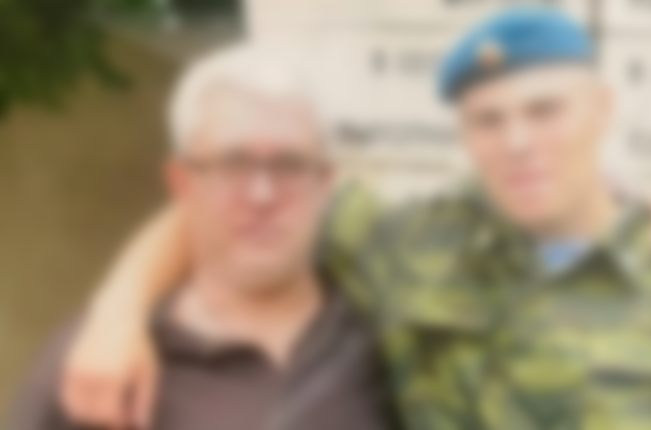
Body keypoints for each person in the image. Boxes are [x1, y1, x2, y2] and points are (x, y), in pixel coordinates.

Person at [57, 6, 651, 430]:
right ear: (464, 135)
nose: (518, 142)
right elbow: (239, 204)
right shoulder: (410, 242)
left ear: (602, 109)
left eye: (545, 110)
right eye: (488, 120)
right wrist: (118, 312)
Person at [10, 47, 394, 430]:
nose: (262, 195)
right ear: (182, 183)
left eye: (289, 165)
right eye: (233, 164)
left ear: (325, 183)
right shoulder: (94, 367)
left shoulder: (387, 334)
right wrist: (119, 309)